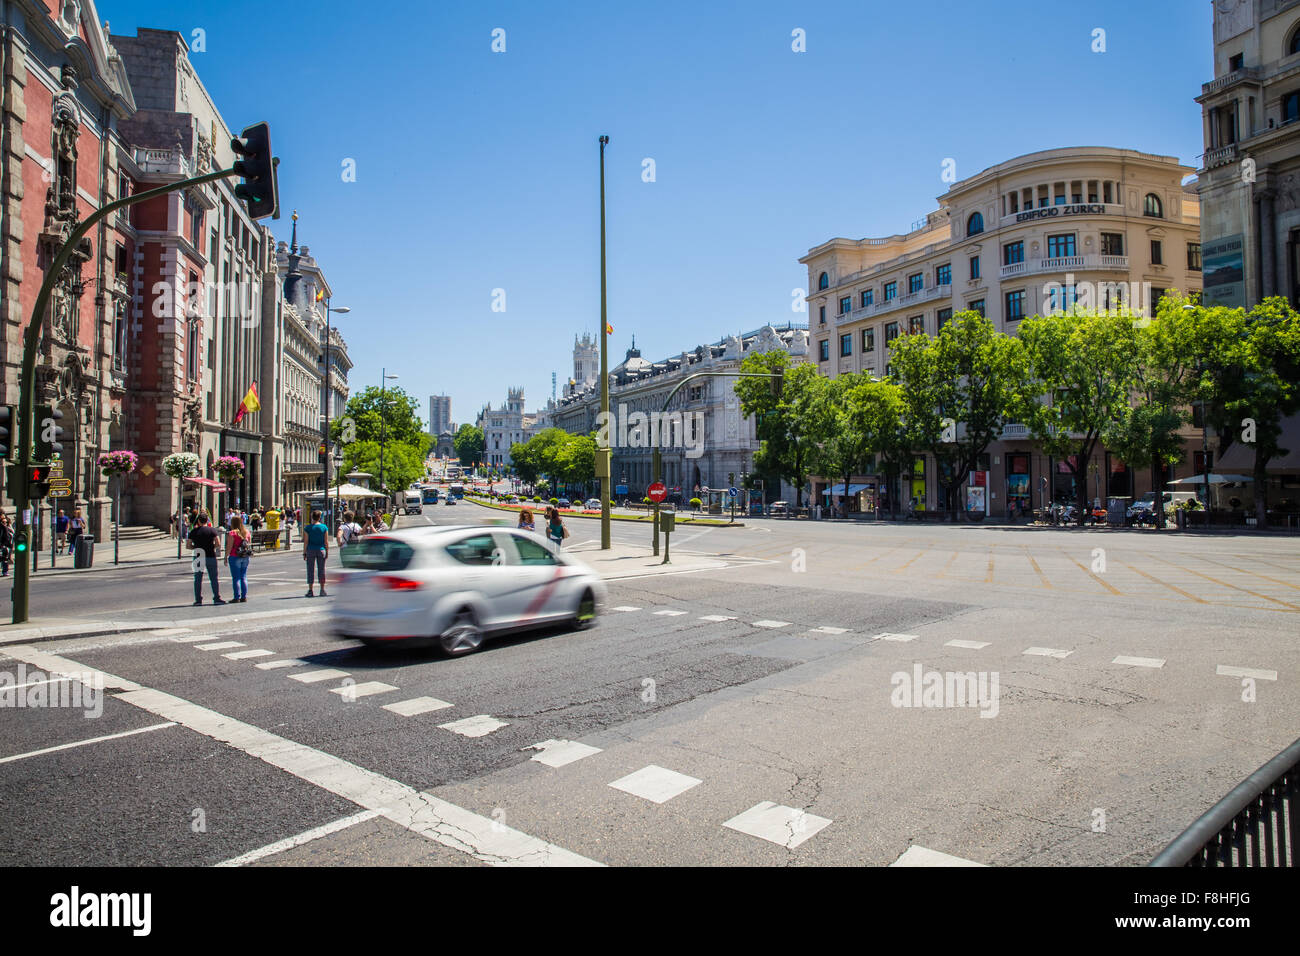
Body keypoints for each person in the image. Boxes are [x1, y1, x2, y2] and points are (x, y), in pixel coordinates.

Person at [187, 512, 225, 605]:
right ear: (207, 520)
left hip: (198, 555)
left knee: (198, 578)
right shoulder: (212, 530)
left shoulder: (194, 531)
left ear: (199, 521)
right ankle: (216, 598)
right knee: (213, 578)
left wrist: (195, 548)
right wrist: (212, 547)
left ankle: (198, 600)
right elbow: (218, 543)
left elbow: (188, 545)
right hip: (210, 555)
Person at [303, 509, 330, 597]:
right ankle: (322, 590)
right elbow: (326, 541)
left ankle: (310, 590)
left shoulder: (308, 528)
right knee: (321, 570)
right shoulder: (324, 527)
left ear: (312, 517)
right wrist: (327, 551)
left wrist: (304, 552)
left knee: (310, 570)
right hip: (321, 550)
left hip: (310, 550)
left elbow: (306, 541)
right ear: (319, 518)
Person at [226, 514, 251, 603]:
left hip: (235, 556)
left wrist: (225, 557)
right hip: (245, 556)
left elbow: (229, 547)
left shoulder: (232, 533)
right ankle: (244, 596)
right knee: (243, 576)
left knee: (236, 578)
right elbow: (249, 545)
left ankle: (236, 597)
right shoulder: (247, 532)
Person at [0, 512, 13, 577]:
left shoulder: (5, 527)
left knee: (4, 558)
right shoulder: (3, 527)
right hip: (3, 545)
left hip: (3, 545)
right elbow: (6, 537)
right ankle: (5, 571)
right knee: (4, 558)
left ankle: (5, 571)